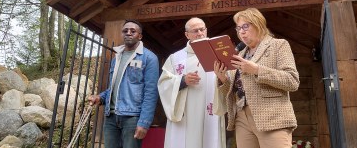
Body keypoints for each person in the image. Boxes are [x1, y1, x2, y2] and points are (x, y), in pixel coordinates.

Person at [213, 8, 299, 148]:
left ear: (258, 24)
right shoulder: (239, 55)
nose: (241, 31)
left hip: (272, 118)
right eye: (239, 28)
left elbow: (292, 81)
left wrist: (257, 70)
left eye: (245, 26)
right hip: (242, 118)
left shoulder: (279, 45)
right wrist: (223, 79)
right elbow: (234, 90)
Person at [88, 20, 159, 148]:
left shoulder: (149, 58)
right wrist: (100, 97)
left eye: (133, 31)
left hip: (132, 118)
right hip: (111, 117)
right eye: (125, 31)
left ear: (140, 36)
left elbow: (151, 92)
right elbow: (114, 87)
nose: (128, 33)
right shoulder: (117, 58)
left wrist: (144, 122)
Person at [158, 17, 226, 148]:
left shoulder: (218, 55)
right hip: (186, 115)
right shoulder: (175, 58)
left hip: (210, 111)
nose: (200, 33)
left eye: (202, 29)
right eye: (195, 30)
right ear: (187, 34)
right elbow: (163, 84)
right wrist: (182, 81)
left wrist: (223, 78)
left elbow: (229, 81)